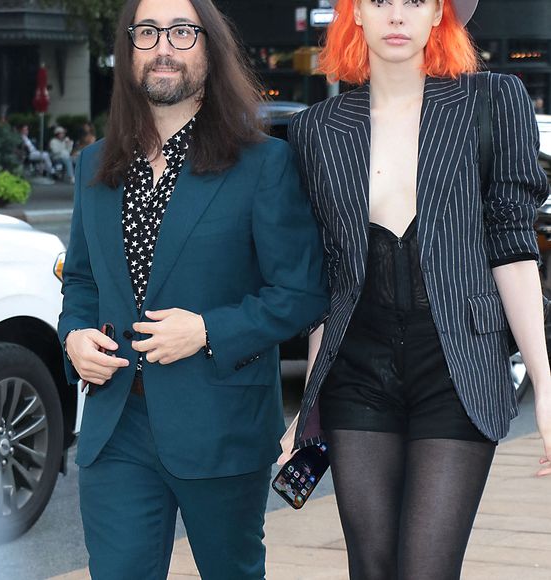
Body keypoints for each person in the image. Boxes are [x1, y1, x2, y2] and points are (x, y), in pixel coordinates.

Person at [280, 1, 551, 579]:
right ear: (353, 14)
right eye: (378, 1)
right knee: (372, 568)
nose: (396, 15)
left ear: (438, 15)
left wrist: (546, 385)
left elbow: (512, 247)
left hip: (456, 369)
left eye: (414, 0)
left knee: (427, 569)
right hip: (356, 373)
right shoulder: (316, 131)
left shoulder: (492, 101)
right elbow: (327, 280)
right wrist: (306, 409)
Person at [58, 0, 328, 578]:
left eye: (182, 32)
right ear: (128, 49)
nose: (164, 47)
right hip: (115, 429)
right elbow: (81, 280)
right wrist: (74, 337)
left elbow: (302, 292)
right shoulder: (94, 165)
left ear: (209, 47)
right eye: (148, 32)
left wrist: (208, 330)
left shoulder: (263, 163)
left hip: (221, 427)